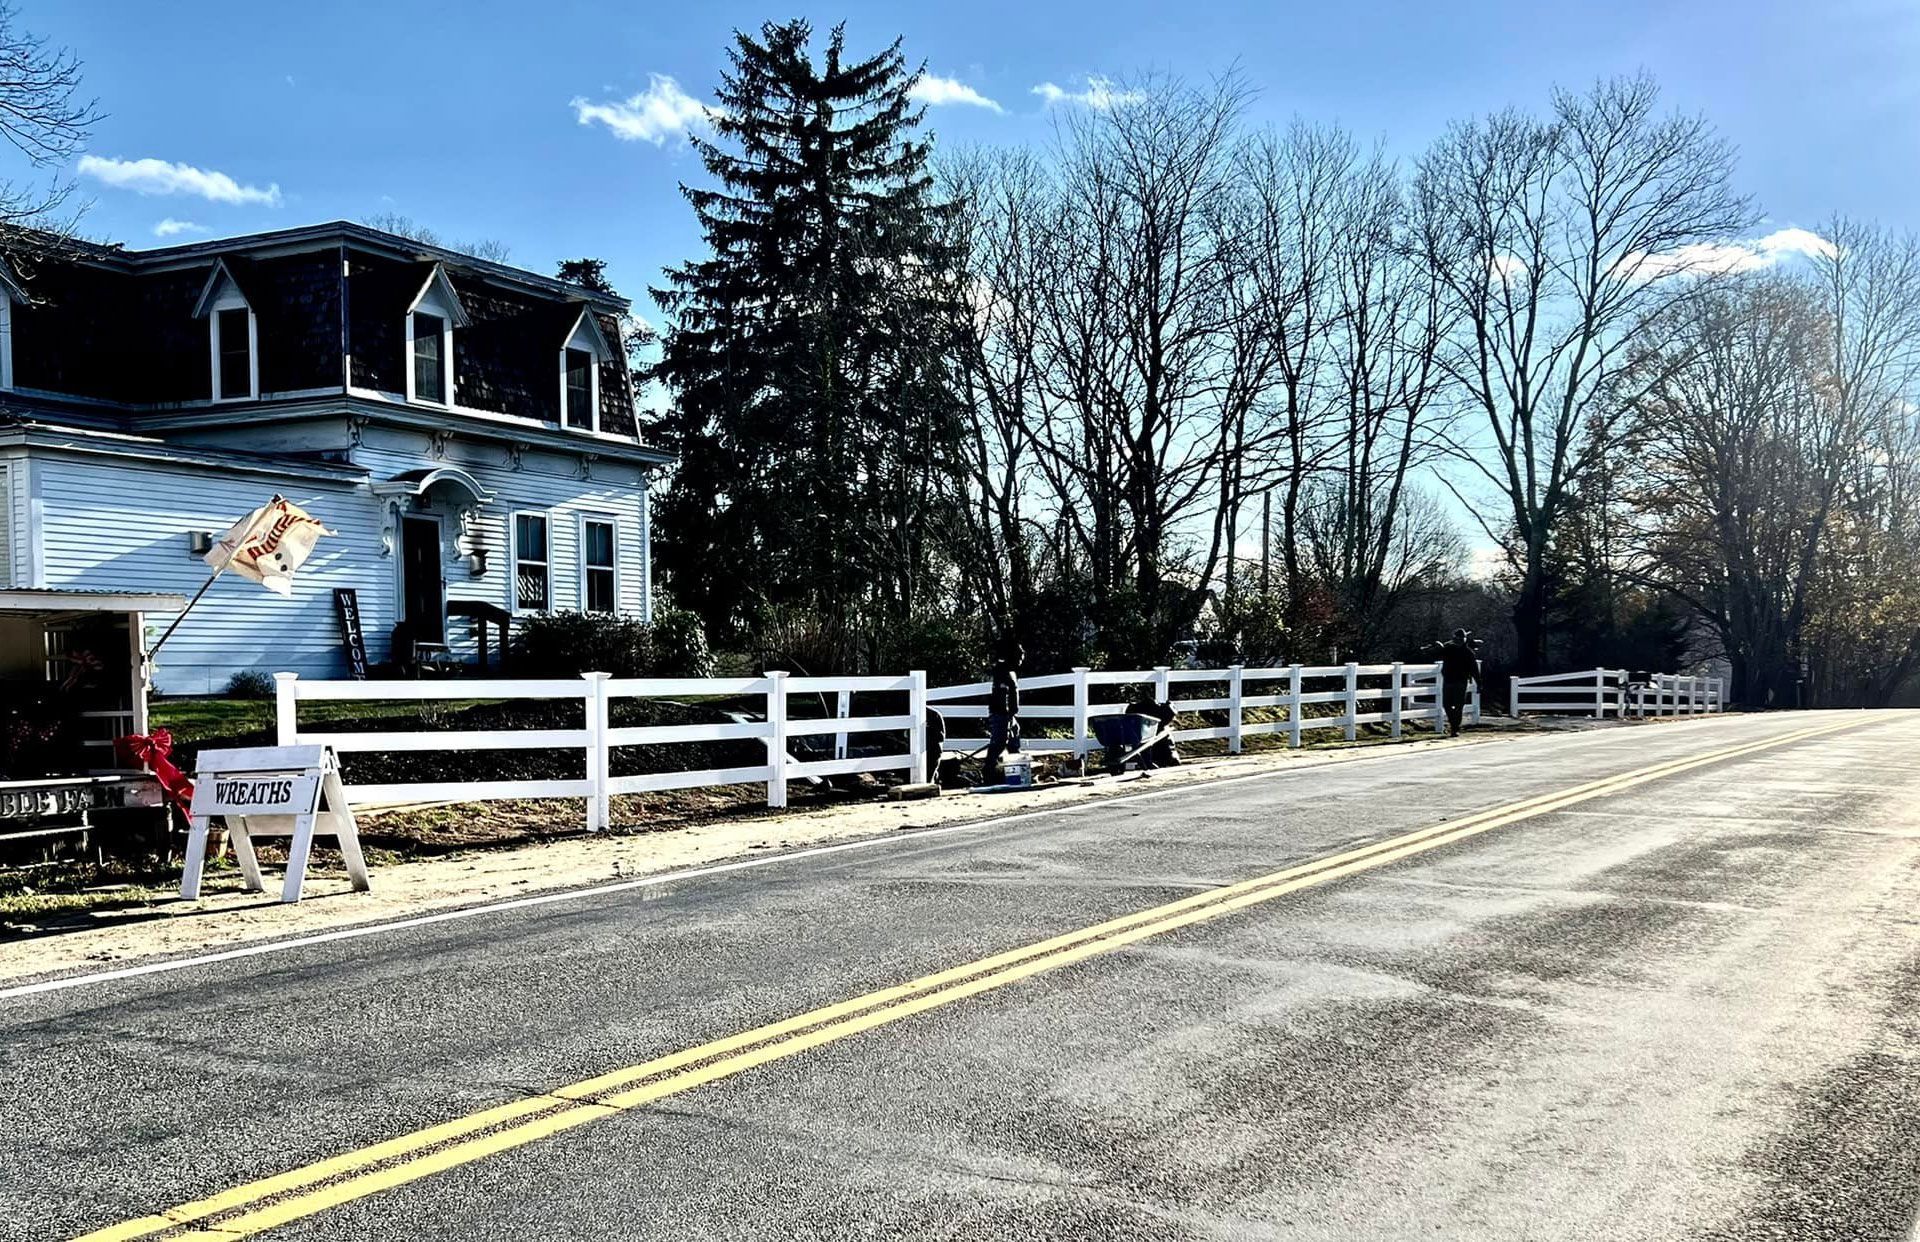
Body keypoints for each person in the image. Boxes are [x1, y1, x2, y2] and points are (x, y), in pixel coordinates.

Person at [983, 639, 1023, 782]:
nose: (1022, 657)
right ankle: (988, 773)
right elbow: (1001, 694)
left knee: (1014, 739)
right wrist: (1006, 714)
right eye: (1019, 655)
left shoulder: (1010, 672)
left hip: (1008, 714)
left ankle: (1016, 769)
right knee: (999, 742)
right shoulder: (1002, 671)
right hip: (1001, 713)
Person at [1437, 628, 1479, 737]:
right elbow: (1438, 654)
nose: (1460, 640)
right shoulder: (1448, 649)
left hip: (1461, 681)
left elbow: (1474, 669)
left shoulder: (1468, 652)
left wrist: (1479, 683)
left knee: (1458, 706)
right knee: (1446, 705)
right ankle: (1454, 725)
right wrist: (1438, 647)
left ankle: (1455, 728)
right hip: (1448, 680)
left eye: (1461, 638)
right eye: (1458, 638)